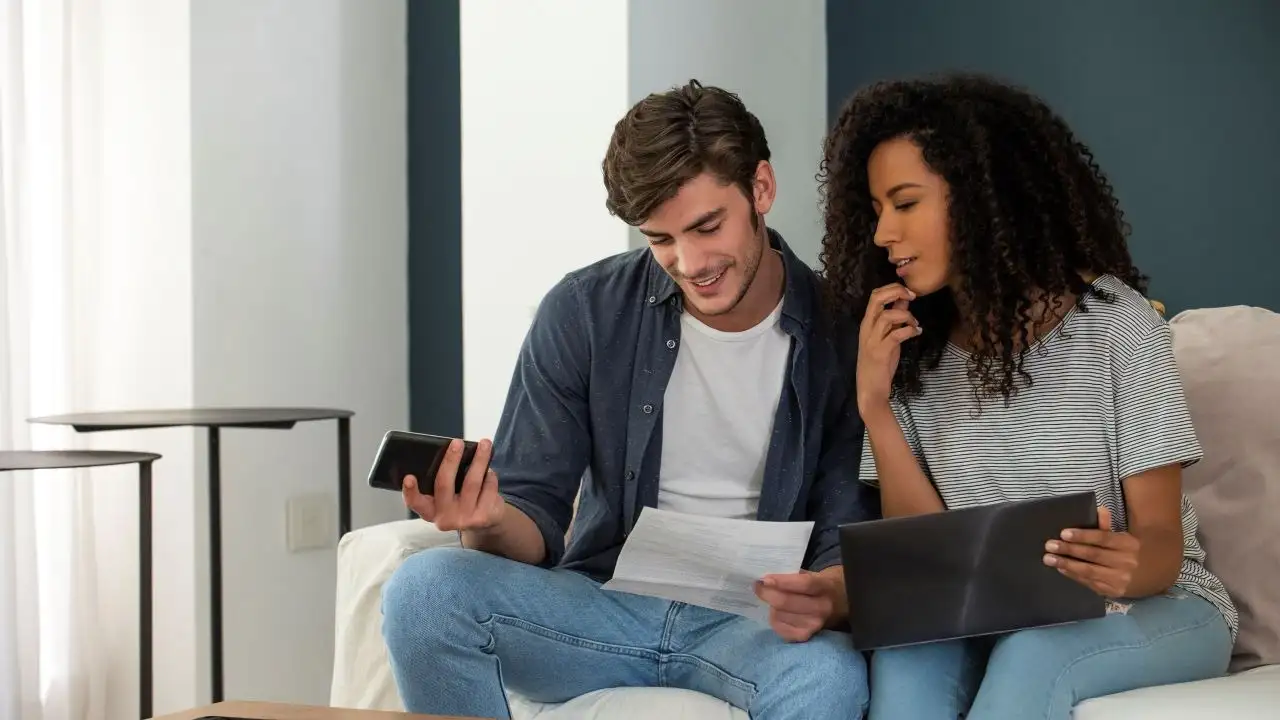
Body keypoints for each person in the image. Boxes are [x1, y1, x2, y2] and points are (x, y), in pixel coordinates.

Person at [380, 80, 875, 720]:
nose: (690, 262)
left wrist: (826, 595)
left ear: (760, 189)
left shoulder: (843, 331)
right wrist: (486, 519)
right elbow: (533, 518)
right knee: (423, 591)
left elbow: (847, 534)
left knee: (829, 681)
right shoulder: (585, 312)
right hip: (600, 607)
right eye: (660, 239)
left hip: (752, 628)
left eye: (706, 226)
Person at [816, 72, 1238, 720]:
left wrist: (1122, 566)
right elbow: (931, 560)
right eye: (874, 211)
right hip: (988, 611)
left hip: (1163, 605)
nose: (881, 235)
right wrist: (874, 401)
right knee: (904, 656)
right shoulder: (911, 349)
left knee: (1033, 654)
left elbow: (1159, 546)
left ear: (984, 197)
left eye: (904, 203)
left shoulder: (1117, 325)